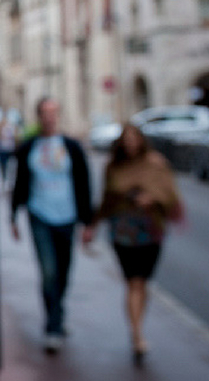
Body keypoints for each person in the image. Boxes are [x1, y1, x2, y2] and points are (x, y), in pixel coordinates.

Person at [82, 123, 182, 366]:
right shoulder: (114, 167)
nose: (130, 143)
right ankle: (137, 334)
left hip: (150, 229)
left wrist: (152, 198)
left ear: (141, 140)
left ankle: (138, 328)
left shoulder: (156, 162)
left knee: (142, 281)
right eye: (125, 139)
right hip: (123, 231)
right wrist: (92, 224)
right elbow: (107, 198)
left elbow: (169, 193)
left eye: (133, 138)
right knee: (133, 281)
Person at [10, 97, 93, 353]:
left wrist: (87, 222)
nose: (49, 117)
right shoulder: (29, 147)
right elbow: (20, 182)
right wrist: (13, 215)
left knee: (64, 270)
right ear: (38, 115)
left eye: (53, 112)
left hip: (67, 216)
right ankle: (53, 325)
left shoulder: (71, 147)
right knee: (48, 272)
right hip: (39, 215)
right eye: (45, 112)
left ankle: (58, 311)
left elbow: (83, 184)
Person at [0, 110, 17, 190]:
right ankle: (4, 179)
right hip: (2, 149)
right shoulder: (0, 128)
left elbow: (13, 137)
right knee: (3, 165)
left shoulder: (10, 127)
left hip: (9, 148)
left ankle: (8, 179)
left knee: (9, 164)